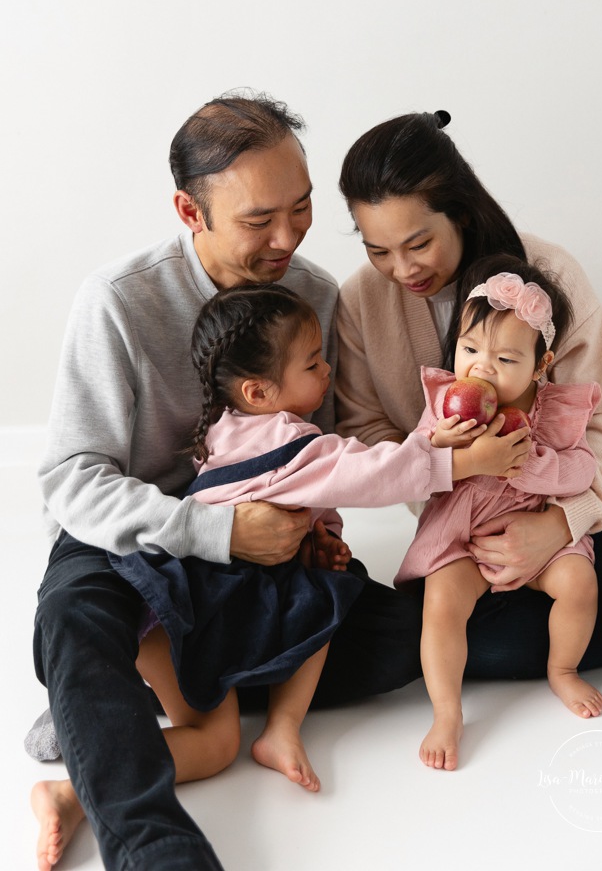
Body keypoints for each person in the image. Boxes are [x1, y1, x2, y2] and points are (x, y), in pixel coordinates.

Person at [28, 93, 425, 871]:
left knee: (405, 637)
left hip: (256, 555)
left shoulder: (311, 293)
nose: (286, 238)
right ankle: (154, 843)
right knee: (73, 624)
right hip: (140, 538)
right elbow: (71, 479)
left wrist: (318, 527)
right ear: (189, 209)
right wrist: (215, 530)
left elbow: (321, 441)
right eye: (257, 221)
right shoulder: (118, 300)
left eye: (302, 208)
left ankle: (111, 724)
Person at [34, 279, 478, 858]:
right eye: (314, 364)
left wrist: (325, 539)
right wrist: (456, 460)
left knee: (215, 745)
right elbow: (365, 473)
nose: (326, 375)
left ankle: (72, 789)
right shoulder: (290, 440)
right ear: (259, 390)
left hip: (170, 605)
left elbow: (318, 498)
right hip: (195, 608)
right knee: (325, 601)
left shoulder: (231, 426)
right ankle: (278, 725)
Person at [336, 108, 602, 684]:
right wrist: (451, 476)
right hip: (476, 511)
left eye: (418, 243)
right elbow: (369, 430)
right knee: (463, 646)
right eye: (379, 251)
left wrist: (561, 524)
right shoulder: (360, 301)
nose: (401, 269)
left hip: (601, 478)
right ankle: (595, 621)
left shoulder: (546, 274)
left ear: (459, 210)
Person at [394, 255, 602, 770]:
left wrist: (529, 465)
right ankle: (447, 712)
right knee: (441, 603)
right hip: (463, 538)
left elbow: (583, 470)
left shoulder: (552, 410)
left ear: (541, 364)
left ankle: (563, 669)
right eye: (469, 349)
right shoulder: (447, 403)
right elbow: (409, 461)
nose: (480, 368)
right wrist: (440, 444)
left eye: (506, 360)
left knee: (579, 582)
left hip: (538, 533)